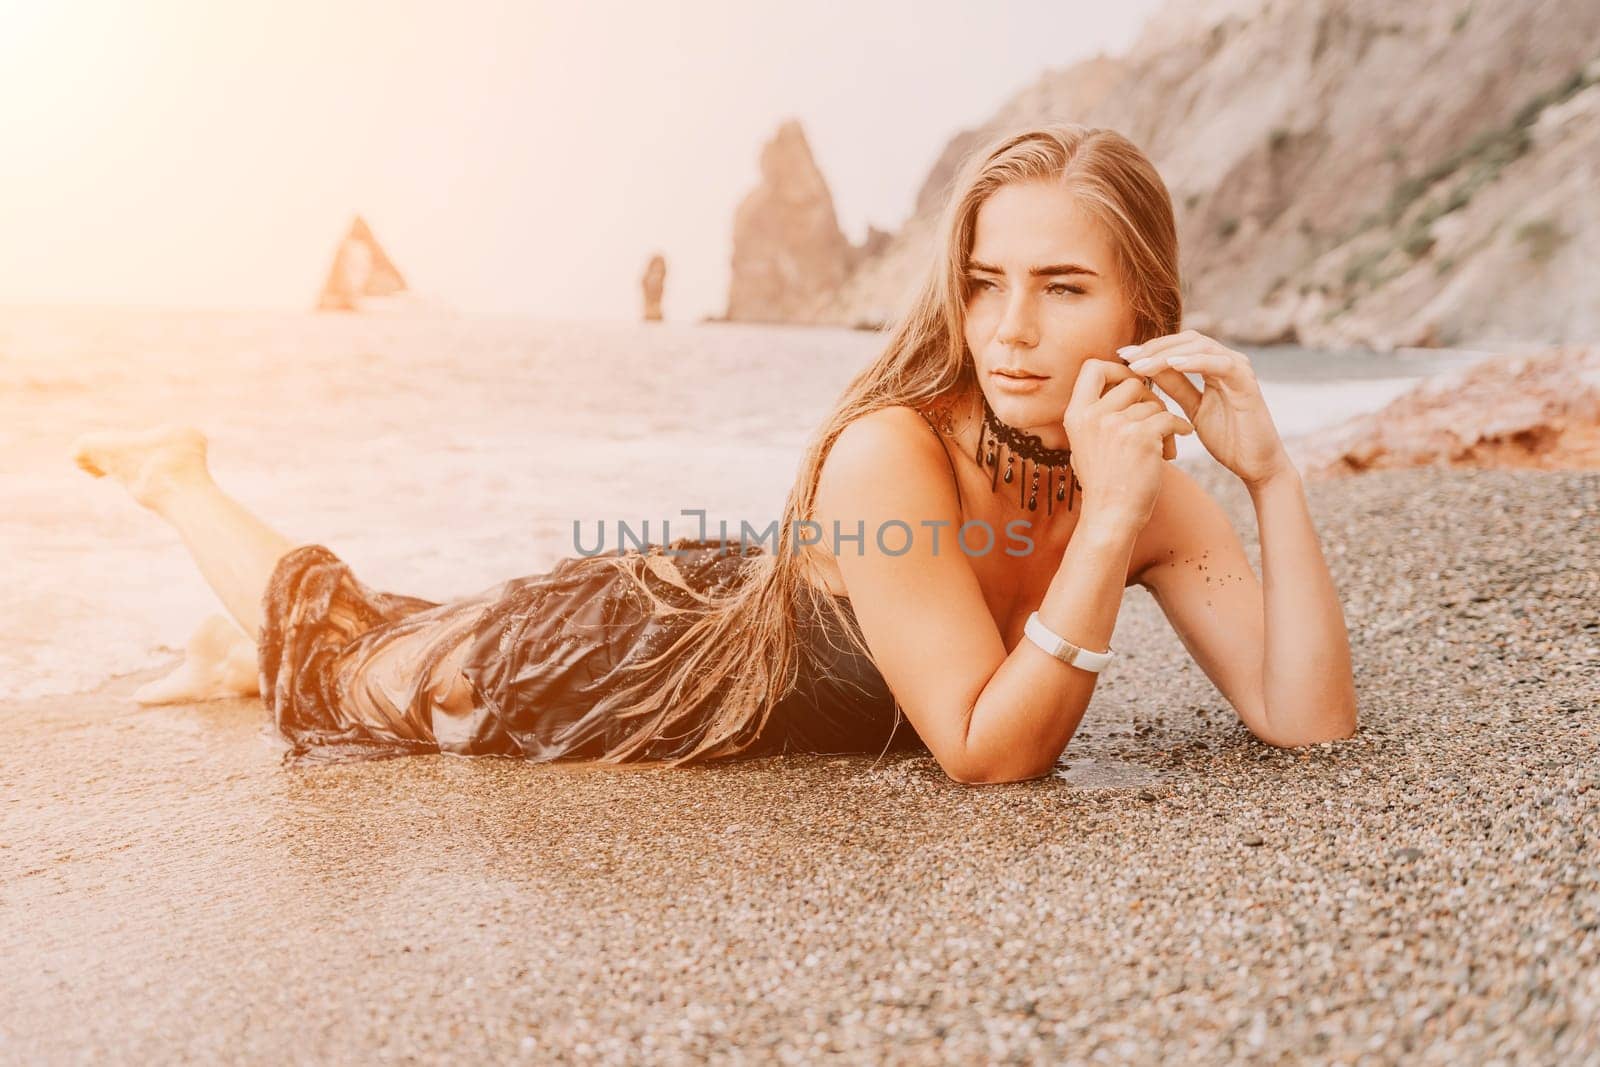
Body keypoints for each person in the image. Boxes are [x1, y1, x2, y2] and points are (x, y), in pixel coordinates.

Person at [71, 123, 1357, 782]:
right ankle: (177, 476)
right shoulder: (890, 454)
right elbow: (984, 751)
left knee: (367, 647)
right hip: (631, 654)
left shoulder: (1151, 494)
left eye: (1063, 288)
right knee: (351, 678)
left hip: (724, 609)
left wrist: (1270, 478)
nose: (1010, 332)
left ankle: (229, 650)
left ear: (1145, 308)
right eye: (983, 282)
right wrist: (1120, 515)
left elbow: (1307, 723)